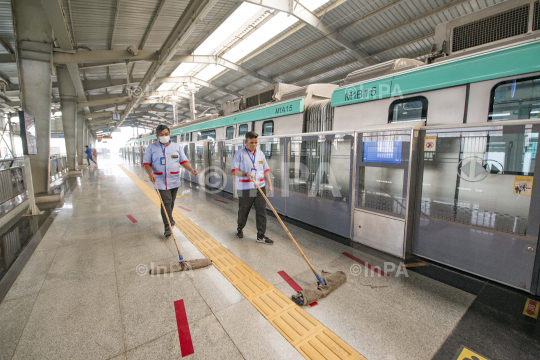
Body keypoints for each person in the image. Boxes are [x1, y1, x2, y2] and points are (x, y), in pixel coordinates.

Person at [143, 125, 198, 236]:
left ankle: (170, 218)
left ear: (169, 134)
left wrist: (191, 169)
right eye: (161, 135)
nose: (164, 136)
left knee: (171, 202)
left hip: (174, 180)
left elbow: (183, 161)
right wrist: (150, 174)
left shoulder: (176, 147)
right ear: (157, 136)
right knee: (166, 203)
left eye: (166, 134)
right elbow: (146, 163)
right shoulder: (151, 148)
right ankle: (167, 226)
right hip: (159, 180)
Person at [231, 131, 274, 244]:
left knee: (261, 212)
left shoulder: (260, 154)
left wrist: (270, 184)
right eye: (252, 142)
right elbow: (234, 171)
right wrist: (245, 174)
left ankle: (261, 235)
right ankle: (240, 229)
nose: (254, 145)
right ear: (246, 142)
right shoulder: (239, 154)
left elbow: (266, 170)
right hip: (245, 188)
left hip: (260, 187)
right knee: (243, 211)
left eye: (256, 142)